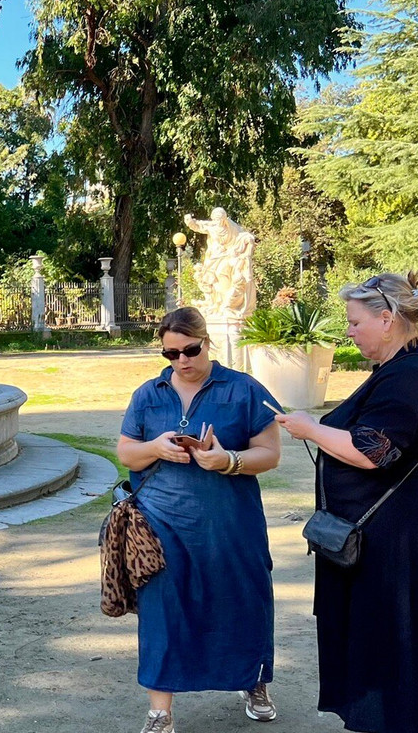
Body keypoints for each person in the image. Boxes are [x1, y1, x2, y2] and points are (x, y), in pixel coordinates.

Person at [117, 306, 283, 733]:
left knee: (245, 599)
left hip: (230, 522)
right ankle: (160, 710)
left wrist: (226, 460)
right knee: (163, 610)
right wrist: (156, 447)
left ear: (207, 343)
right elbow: (126, 453)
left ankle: (254, 681)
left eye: (190, 350)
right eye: (171, 354)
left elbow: (269, 454)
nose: (182, 360)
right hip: (160, 523)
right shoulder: (148, 393)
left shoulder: (243, 388)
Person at [275, 273, 418, 733]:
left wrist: (310, 428)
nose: (350, 331)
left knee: (388, 651)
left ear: (388, 319)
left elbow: (377, 450)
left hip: (390, 549)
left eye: (355, 322)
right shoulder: (393, 370)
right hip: (374, 545)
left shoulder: (408, 376)